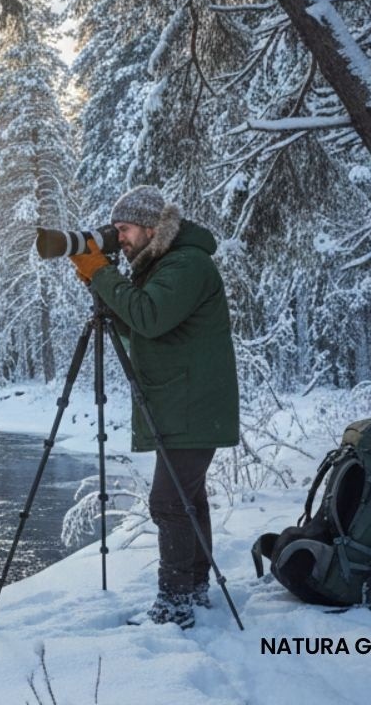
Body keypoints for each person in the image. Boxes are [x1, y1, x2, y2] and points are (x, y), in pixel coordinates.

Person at [69, 185, 240, 629]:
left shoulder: (186, 265)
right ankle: (194, 591)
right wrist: (102, 286)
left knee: (168, 502)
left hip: (191, 405)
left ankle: (176, 604)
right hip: (185, 403)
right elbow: (143, 328)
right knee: (186, 500)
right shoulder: (166, 265)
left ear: (150, 227)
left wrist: (101, 275)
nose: (119, 238)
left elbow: (148, 316)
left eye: (124, 230)